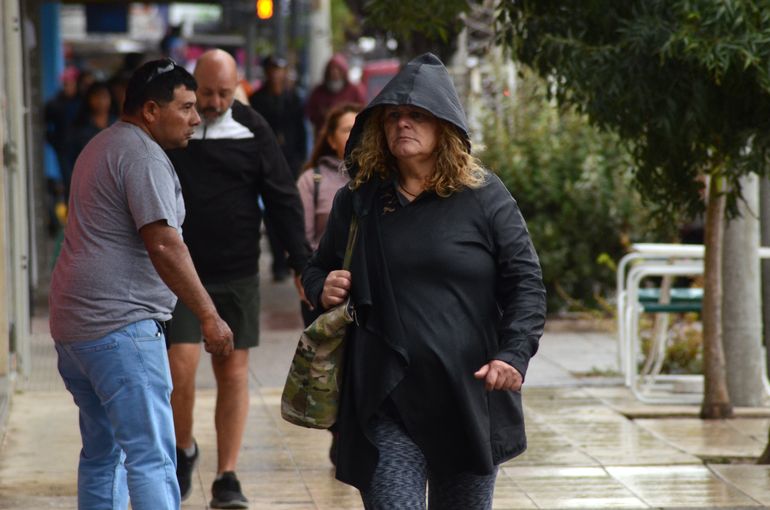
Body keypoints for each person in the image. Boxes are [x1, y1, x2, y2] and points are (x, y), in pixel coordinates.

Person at [302, 53, 546, 509]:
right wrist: (323, 285)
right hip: (385, 402)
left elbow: (526, 283)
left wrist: (513, 354)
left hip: (466, 400)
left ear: (444, 126)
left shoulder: (485, 196)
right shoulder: (358, 200)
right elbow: (317, 268)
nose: (402, 125)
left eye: (416, 115)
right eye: (394, 115)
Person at [49, 58, 234, 510]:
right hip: (120, 328)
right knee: (151, 457)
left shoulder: (101, 145)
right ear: (151, 110)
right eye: (186, 107)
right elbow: (165, 244)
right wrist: (210, 317)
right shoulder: (142, 155)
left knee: (101, 454)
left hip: (75, 328)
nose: (196, 118)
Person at [165, 49, 310, 509]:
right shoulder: (175, 123)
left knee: (233, 371)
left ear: (238, 86)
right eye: (206, 92)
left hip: (237, 271)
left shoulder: (253, 128)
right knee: (179, 366)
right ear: (193, 83)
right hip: (183, 275)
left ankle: (227, 475)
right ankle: (184, 448)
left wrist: (301, 264)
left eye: (224, 93)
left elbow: (283, 198)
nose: (213, 102)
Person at [296, 102, 361, 326]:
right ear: (331, 139)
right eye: (346, 130)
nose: (355, 136)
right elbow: (300, 238)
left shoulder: (380, 180)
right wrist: (310, 283)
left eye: (359, 128)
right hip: (326, 288)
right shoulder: (311, 180)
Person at [250, 55, 308, 281]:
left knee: (290, 209)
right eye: (273, 69)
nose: (277, 74)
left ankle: (292, 258)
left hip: (290, 161)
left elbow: (300, 130)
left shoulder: (293, 98)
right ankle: (278, 261)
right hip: (266, 161)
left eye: (280, 70)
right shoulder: (258, 99)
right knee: (272, 213)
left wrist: (301, 158)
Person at [305, 53, 365, 135]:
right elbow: (311, 114)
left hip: (349, 135)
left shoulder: (354, 90)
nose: (334, 73)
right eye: (331, 70)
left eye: (338, 70)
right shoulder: (318, 92)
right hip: (324, 136)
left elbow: (362, 111)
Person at [67, 81, 116, 170]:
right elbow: (70, 157)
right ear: (89, 99)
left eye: (104, 96)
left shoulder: (117, 124)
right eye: (97, 96)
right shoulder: (80, 126)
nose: (100, 101)